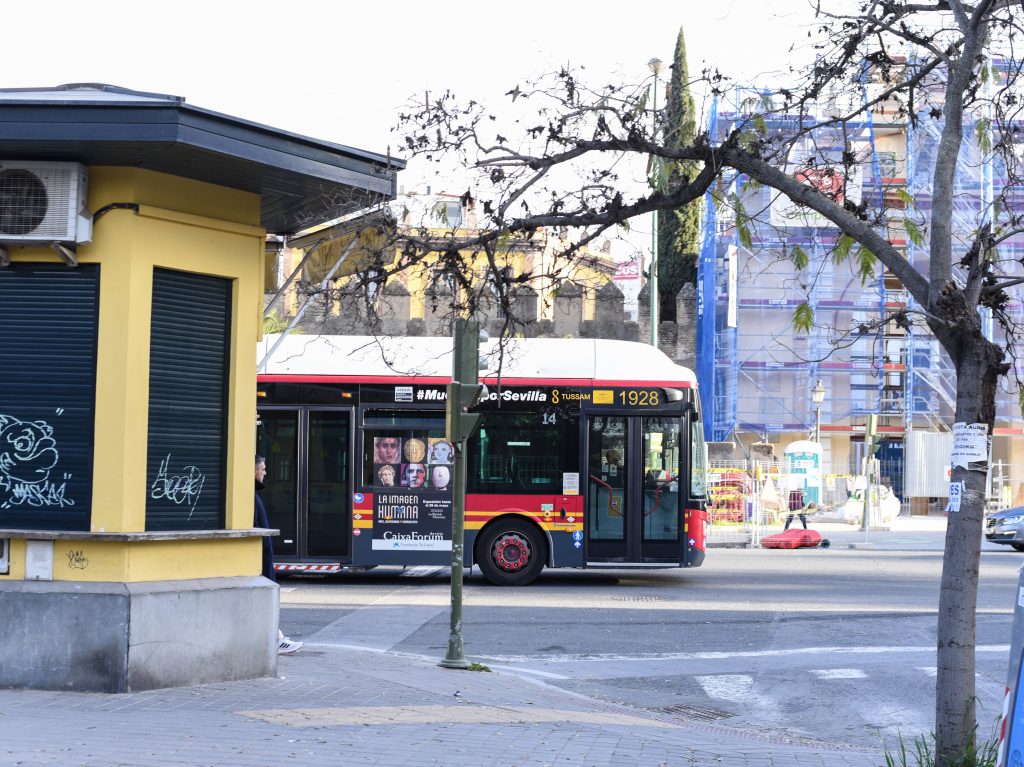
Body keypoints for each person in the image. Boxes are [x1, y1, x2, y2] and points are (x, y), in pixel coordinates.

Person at [255, 455, 303, 655]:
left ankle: (277, 638)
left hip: (262, 557)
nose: (265, 472)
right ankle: (277, 640)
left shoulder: (254, 493)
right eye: (262, 468)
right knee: (265, 602)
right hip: (259, 560)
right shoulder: (251, 495)